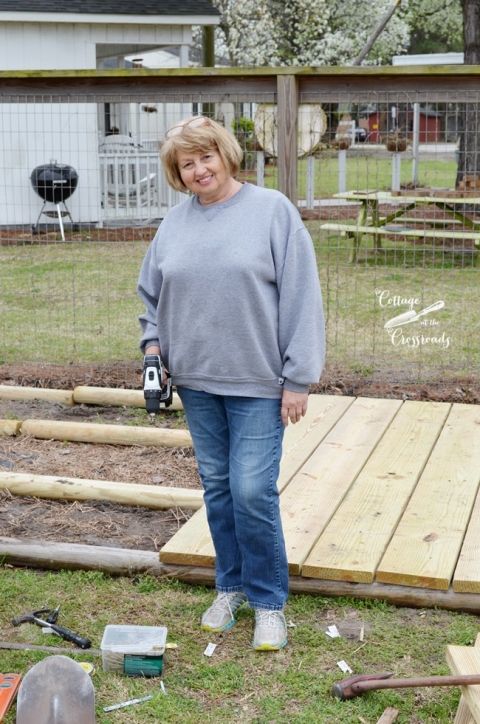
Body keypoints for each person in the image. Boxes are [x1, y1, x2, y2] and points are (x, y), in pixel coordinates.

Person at [137, 116, 325, 651]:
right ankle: (231, 586)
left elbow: (302, 297)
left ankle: (268, 602)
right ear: (178, 173)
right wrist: (154, 349)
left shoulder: (272, 212)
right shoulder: (174, 225)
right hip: (196, 380)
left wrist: (299, 378)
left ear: (226, 155)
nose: (199, 170)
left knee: (251, 490)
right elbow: (151, 296)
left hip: (259, 382)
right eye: (186, 163)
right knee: (219, 490)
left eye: (206, 157)